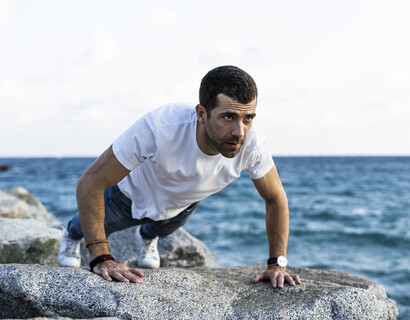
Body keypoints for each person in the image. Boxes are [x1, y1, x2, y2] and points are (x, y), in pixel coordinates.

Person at [58, 65, 301, 289]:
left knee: (162, 229)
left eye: (248, 118)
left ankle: (147, 236)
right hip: (128, 199)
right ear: (202, 114)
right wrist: (101, 257)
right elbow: (89, 183)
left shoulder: (253, 144)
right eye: (228, 117)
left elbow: (276, 198)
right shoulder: (160, 126)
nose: (240, 132)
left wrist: (277, 264)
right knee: (83, 227)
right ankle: (69, 234)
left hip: (182, 206)